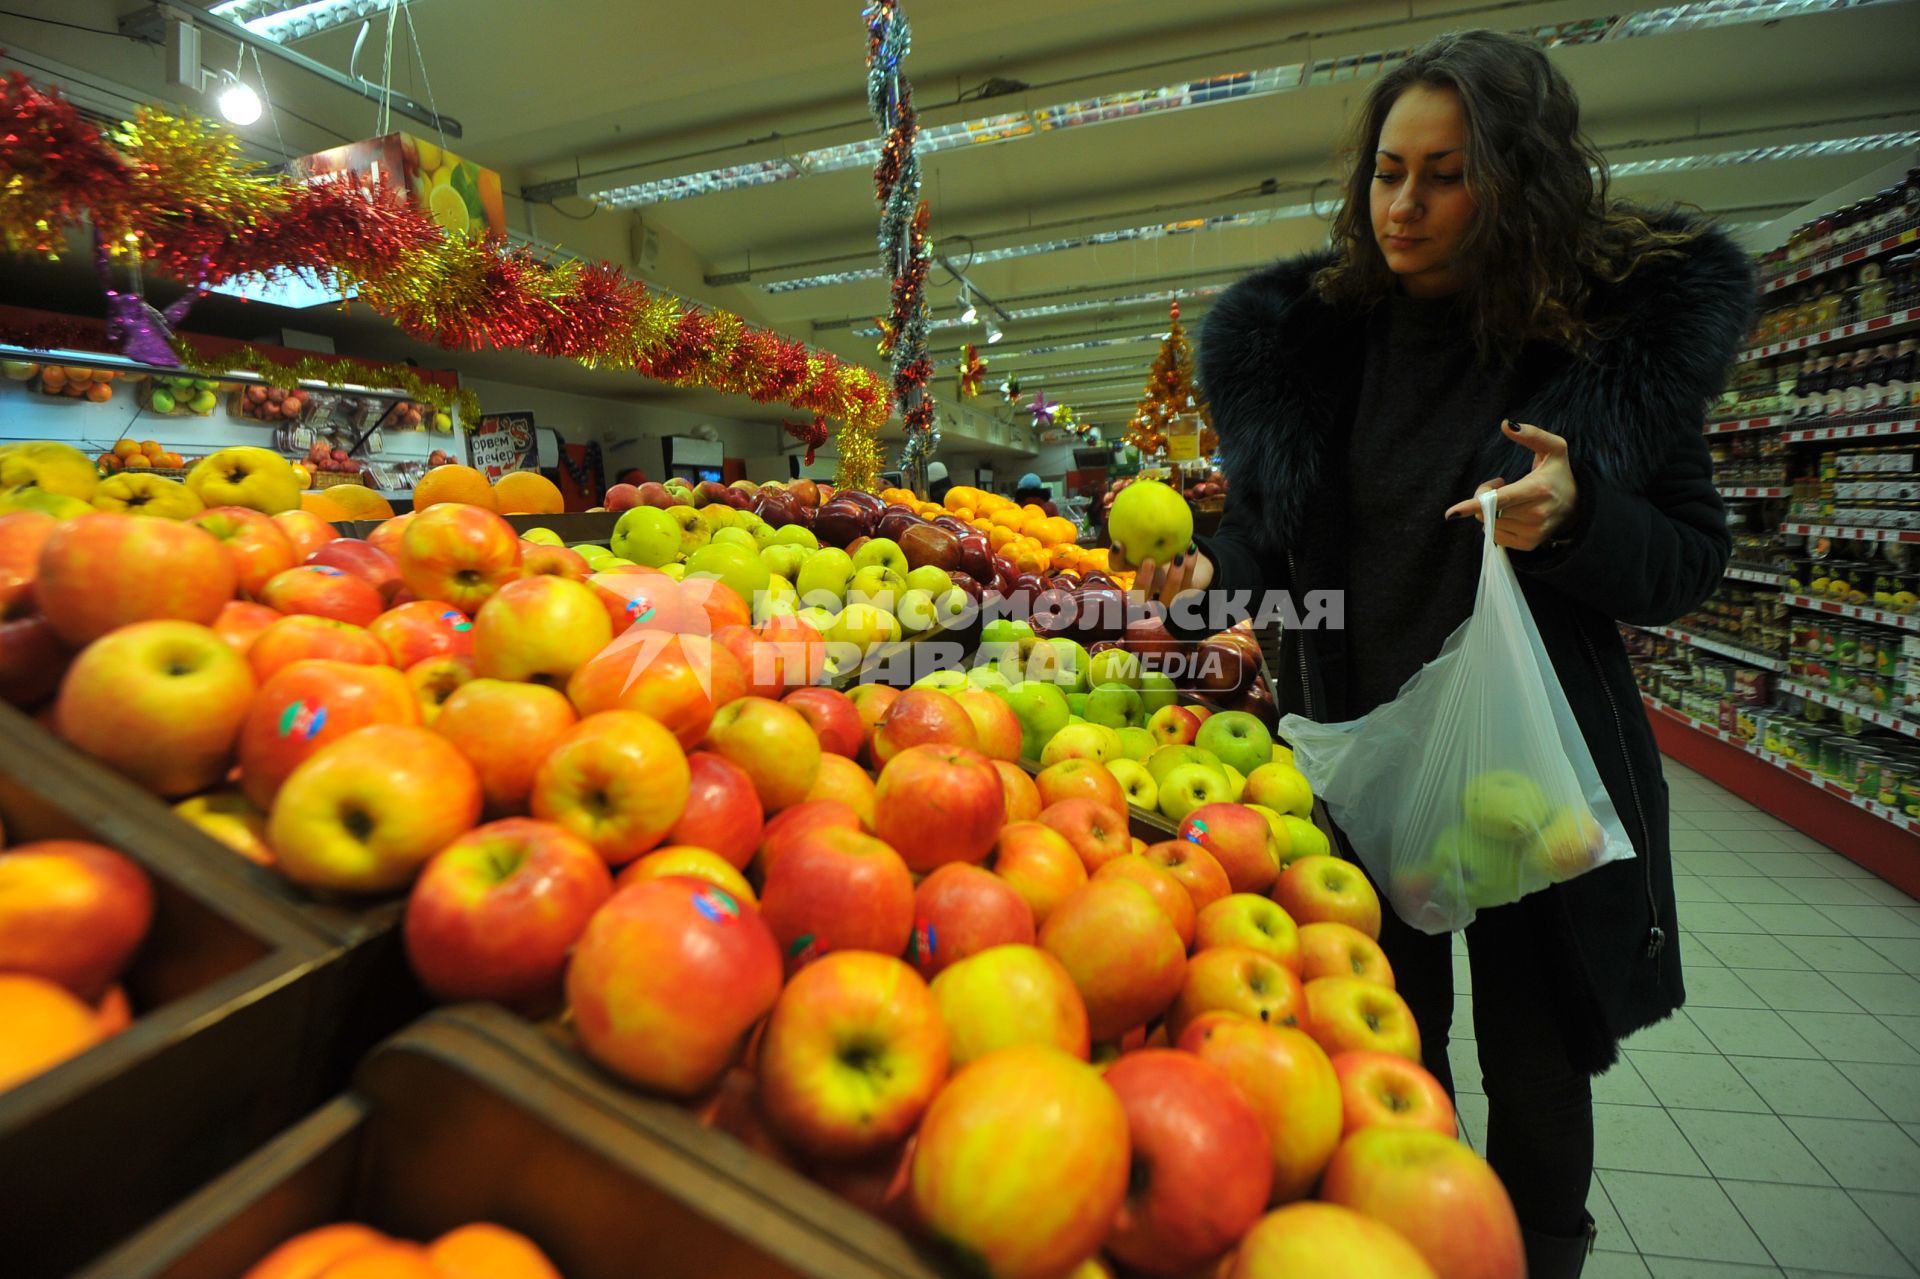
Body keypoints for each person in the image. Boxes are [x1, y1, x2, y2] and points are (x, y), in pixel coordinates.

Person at [1125, 29, 1750, 1277]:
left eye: (1446, 175)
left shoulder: (1599, 344)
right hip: (1358, 763)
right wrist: (1201, 578)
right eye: (1387, 172)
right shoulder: (1312, 342)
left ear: (1515, 182)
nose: (1403, 205)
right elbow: (1265, 538)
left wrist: (1575, 520)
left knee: (1536, 1064)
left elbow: (1688, 559)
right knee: (1390, 1054)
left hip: (1531, 755)